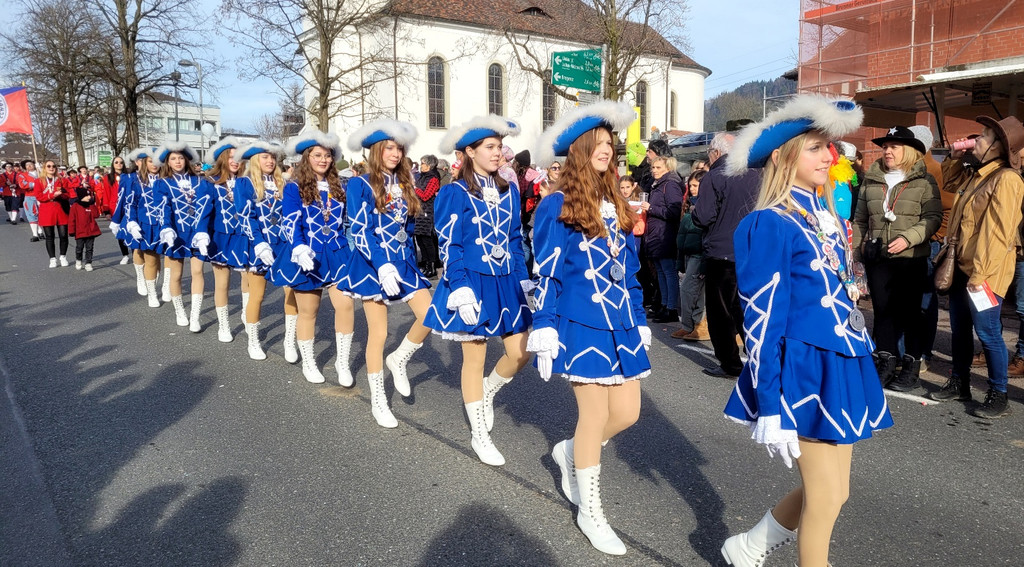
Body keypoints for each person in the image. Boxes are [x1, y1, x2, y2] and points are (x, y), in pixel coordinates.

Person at [720, 94, 892, 567]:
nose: (829, 156)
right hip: (801, 370)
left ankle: (749, 546)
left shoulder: (826, 217)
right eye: (815, 147)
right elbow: (761, 321)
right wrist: (771, 405)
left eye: (829, 148)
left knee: (837, 492)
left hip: (842, 359)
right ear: (783, 156)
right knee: (826, 496)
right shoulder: (767, 223)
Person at [529, 101, 651, 556]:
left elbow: (631, 272)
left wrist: (639, 320)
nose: (607, 150)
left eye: (610, 144)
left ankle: (570, 452)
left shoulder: (615, 200)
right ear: (580, 150)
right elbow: (548, 271)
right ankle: (591, 510)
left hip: (620, 323)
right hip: (579, 321)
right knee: (594, 415)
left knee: (629, 413)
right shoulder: (555, 205)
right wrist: (543, 323)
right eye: (598, 144)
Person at [425, 115, 532, 466]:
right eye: (490, 147)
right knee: (475, 357)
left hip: (506, 282)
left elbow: (516, 240)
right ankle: (479, 434)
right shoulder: (453, 192)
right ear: (470, 152)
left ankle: (488, 391)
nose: (498, 153)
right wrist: (459, 286)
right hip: (471, 279)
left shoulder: (510, 189)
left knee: (521, 353)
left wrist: (524, 280)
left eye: (500, 146)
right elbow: (450, 244)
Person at [930, 115, 1024, 419]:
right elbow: (949, 183)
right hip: (960, 267)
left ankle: (999, 393)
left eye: (984, 136)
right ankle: (960, 382)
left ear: (1000, 146)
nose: (977, 139)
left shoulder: (1006, 179)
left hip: (984, 271)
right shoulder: (976, 175)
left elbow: (998, 234)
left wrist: (980, 275)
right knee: (959, 329)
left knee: (988, 333)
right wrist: (956, 159)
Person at [344, 120, 432, 429]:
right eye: (389, 148)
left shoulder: (407, 182)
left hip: (405, 263)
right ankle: (378, 398)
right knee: (379, 333)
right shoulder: (360, 183)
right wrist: (382, 263)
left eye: (399, 149)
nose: (395, 154)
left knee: (430, 316)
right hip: (372, 265)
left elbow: (406, 227)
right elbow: (360, 228)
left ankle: (400, 359)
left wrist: (408, 258)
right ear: (377, 150)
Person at [852, 126, 941, 391]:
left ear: (909, 150)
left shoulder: (924, 181)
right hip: (878, 258)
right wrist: (856, 254)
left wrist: (909, 237)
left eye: (894, 146)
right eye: (885, 146)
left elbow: (933, 218)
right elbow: (860, 220)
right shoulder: (871, 179)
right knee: (883, 313)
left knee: (912, 315)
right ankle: (886, 362)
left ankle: (911, 367)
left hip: (911, 258)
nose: (888, 151)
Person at [280, 130, 357, 385]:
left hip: (336, 253)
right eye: (317, 155)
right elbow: (291, 221)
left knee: (345, 306)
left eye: (327, 155)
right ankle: (310, 362)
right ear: (307, 158)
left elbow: (349, 221)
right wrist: (299, 248)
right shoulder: (294, 188)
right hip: (308, 253)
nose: (323, 160)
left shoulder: (340, 186)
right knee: (308, 311)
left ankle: (342, 362)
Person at [692, 133, 761, 377]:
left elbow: (704, 216)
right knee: (747, 310)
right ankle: (761, 360)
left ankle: (730, 364)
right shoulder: (757, 173)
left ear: (715, 153)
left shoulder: (715, 175)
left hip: (722, 252)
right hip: (752, 251)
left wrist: (693, 209)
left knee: (721, 313)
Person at [234, 141, 298, 361]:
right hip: (258, 247)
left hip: (284, 247)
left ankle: (290, 341)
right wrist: (259, 243)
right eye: (264, 157)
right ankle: (253, 340)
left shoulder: (285, 184)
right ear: (255, 160)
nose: (270, 161)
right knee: (257, 295)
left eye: (272, 157)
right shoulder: (245, 183)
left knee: (291, 294)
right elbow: (245, 217)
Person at [152, 142, 214, 329]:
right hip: (176, 233)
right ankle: (180, 310)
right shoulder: (163, 183)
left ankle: (195, 315)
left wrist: (203, 230)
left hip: (197, 233)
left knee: (197, 271)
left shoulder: (200, 181)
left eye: (180, 158)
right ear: (167, 162)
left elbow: (207, 206)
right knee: (176, 274)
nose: (178, 161)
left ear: (186, 160)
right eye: (173, 159)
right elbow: (163, 208)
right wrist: (166, 228)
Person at [204, 137, 250, 342]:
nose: (235, 161)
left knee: (248, 280)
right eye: (231, 157)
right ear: (223, 158)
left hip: (243, 236)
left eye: (238, 157)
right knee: (222, 283)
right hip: (221, 237)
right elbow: (205, 212)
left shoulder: (246, 182)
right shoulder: (211, 182)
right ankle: (224, 324)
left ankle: (248, 316)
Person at [641, 154, 684, 323]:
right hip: (657, 234)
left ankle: (671, 308)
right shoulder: (657, 185)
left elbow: (674, 212)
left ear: (668, 168)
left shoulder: (670, 185)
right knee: (661, 272)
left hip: (665, 234)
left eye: (658, 167)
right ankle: (665, 305)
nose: (654, 171)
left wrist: (651, 208)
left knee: (668, 271)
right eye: (653, 167)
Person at [124, 148, 165, 307]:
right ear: (144, 163)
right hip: (144, 223)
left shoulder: (166, 180)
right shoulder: (134, 181)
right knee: (149, 257)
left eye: (157, 161)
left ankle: (155, 282)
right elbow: (130, 203)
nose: (154, 164)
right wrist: (131, 222)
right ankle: (151, 291)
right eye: (150, 161)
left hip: (163, 224)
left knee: (158, 258)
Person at [673, 170, 708, 340]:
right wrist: (680, 261)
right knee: (692, 292)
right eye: (691, 185)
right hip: (688, 253)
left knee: (689, 290)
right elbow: (682, 235)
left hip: (698, 254)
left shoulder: (707, 205)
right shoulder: (689, 204)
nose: (692, 189)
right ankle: (689, 326)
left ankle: (695, 326)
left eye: (695, 185)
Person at [36, 160, 71, 268]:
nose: (51, 168)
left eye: (53, 166)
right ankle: (52, 258)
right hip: (47, 210)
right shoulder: (39, 181)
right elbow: (39, 196)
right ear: (45, 168)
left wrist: (61, 195)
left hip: (61, 210)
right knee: (50, 236)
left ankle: (63, 256)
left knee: (63, 235)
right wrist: (51, 195)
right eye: (49, 166)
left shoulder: (62, 180)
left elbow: (68, 194)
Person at [413, 154, 441, 277]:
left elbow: (425, 195)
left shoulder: (433, 178)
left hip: (427, 213)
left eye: (423, 163)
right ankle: (424, 263)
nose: (421, 165)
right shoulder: (421, 177)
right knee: (419, 238)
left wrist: (414, 189)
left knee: (427, 240)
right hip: (418, 212)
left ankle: (432, 266)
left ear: (429, 165)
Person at [101, 157, 131, 263]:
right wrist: (107, 211)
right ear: (113, 164)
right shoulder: (108, 177)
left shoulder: (128, 176)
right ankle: (125, 254)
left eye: (121, 162)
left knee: (131, 229)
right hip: (115, 208)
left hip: (128, 207)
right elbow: (106, 194)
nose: (119, 164)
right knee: (119, 231)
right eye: (116, 162)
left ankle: (136, 251)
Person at [68, 179, 101, 270]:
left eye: (89, 195)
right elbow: (71, 219)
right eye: (87, 196)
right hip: (80, 231)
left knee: (89, 248)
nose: (89, 197)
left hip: (91, 231)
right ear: (82, 196)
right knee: (79, 248)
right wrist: (71, 230)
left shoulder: (90, 205)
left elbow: (96, 215)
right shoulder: (75, 206)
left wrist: (92, 204)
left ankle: (88, 263)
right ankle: (78, 260)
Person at [16, 160, 42, 242]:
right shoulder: (22, 175)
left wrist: (41, 169)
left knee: (42, 214)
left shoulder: (40, 173)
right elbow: (22, 184)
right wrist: (35, 184)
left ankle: (41, 231)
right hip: (30, 196)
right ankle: (35, 234)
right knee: (32, 214)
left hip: (42, 196)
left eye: (31, 164)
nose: (29, 166)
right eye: (27, 165)